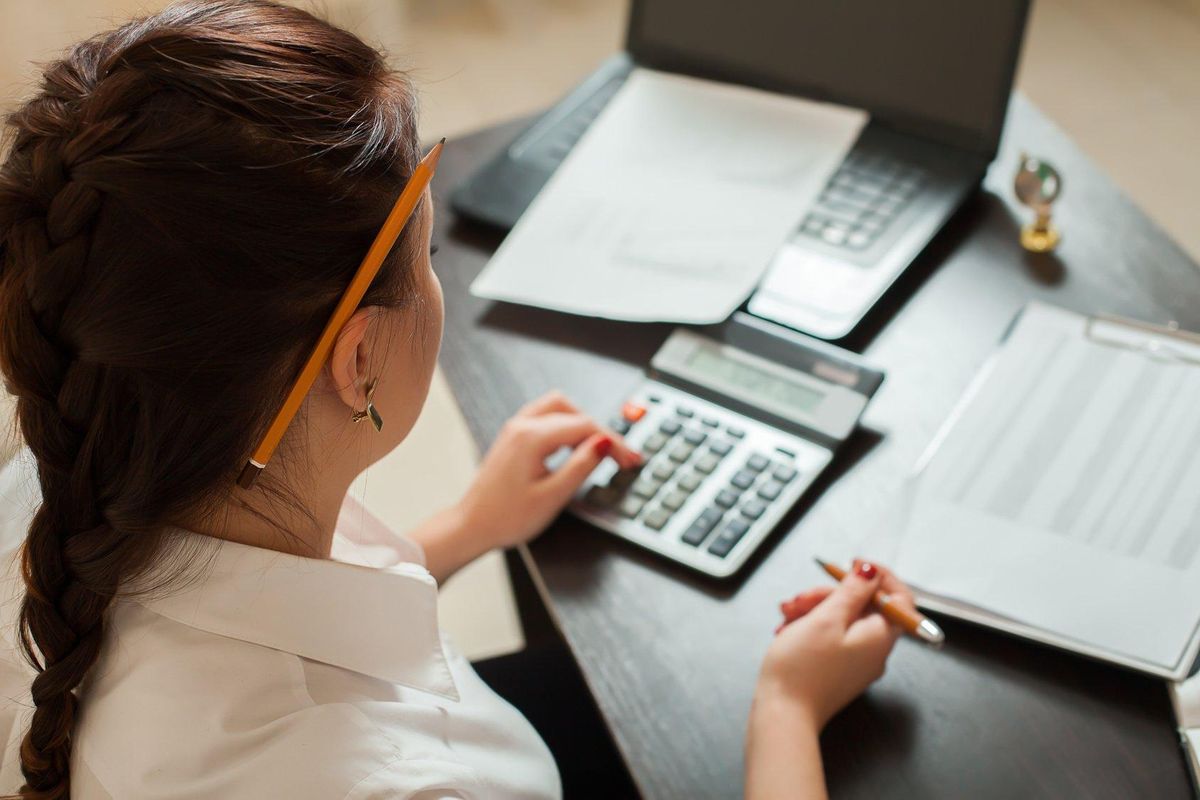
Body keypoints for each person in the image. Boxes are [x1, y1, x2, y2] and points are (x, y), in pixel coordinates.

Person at [0, 2, 915, 798]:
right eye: (429, 260)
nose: (440, 286)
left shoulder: (57, 472)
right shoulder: (420, 786)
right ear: (358, 362)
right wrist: (786, 712)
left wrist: (465, 528)